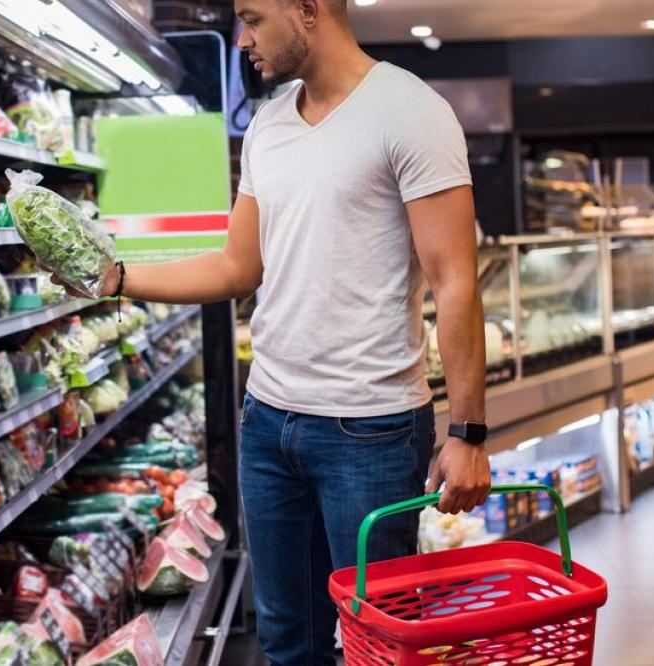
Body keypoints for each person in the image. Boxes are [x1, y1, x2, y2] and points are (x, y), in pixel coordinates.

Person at [61, 1, 491, 662]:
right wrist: (115, 277)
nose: (242, 38)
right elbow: (238, 266)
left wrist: (467, 433)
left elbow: (454, 280)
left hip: (369, 430)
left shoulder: (411, 112)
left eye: (254, 18)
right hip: (267, 423)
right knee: (287, 640)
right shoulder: (268, 125)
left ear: (308, 10)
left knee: (377, 641)